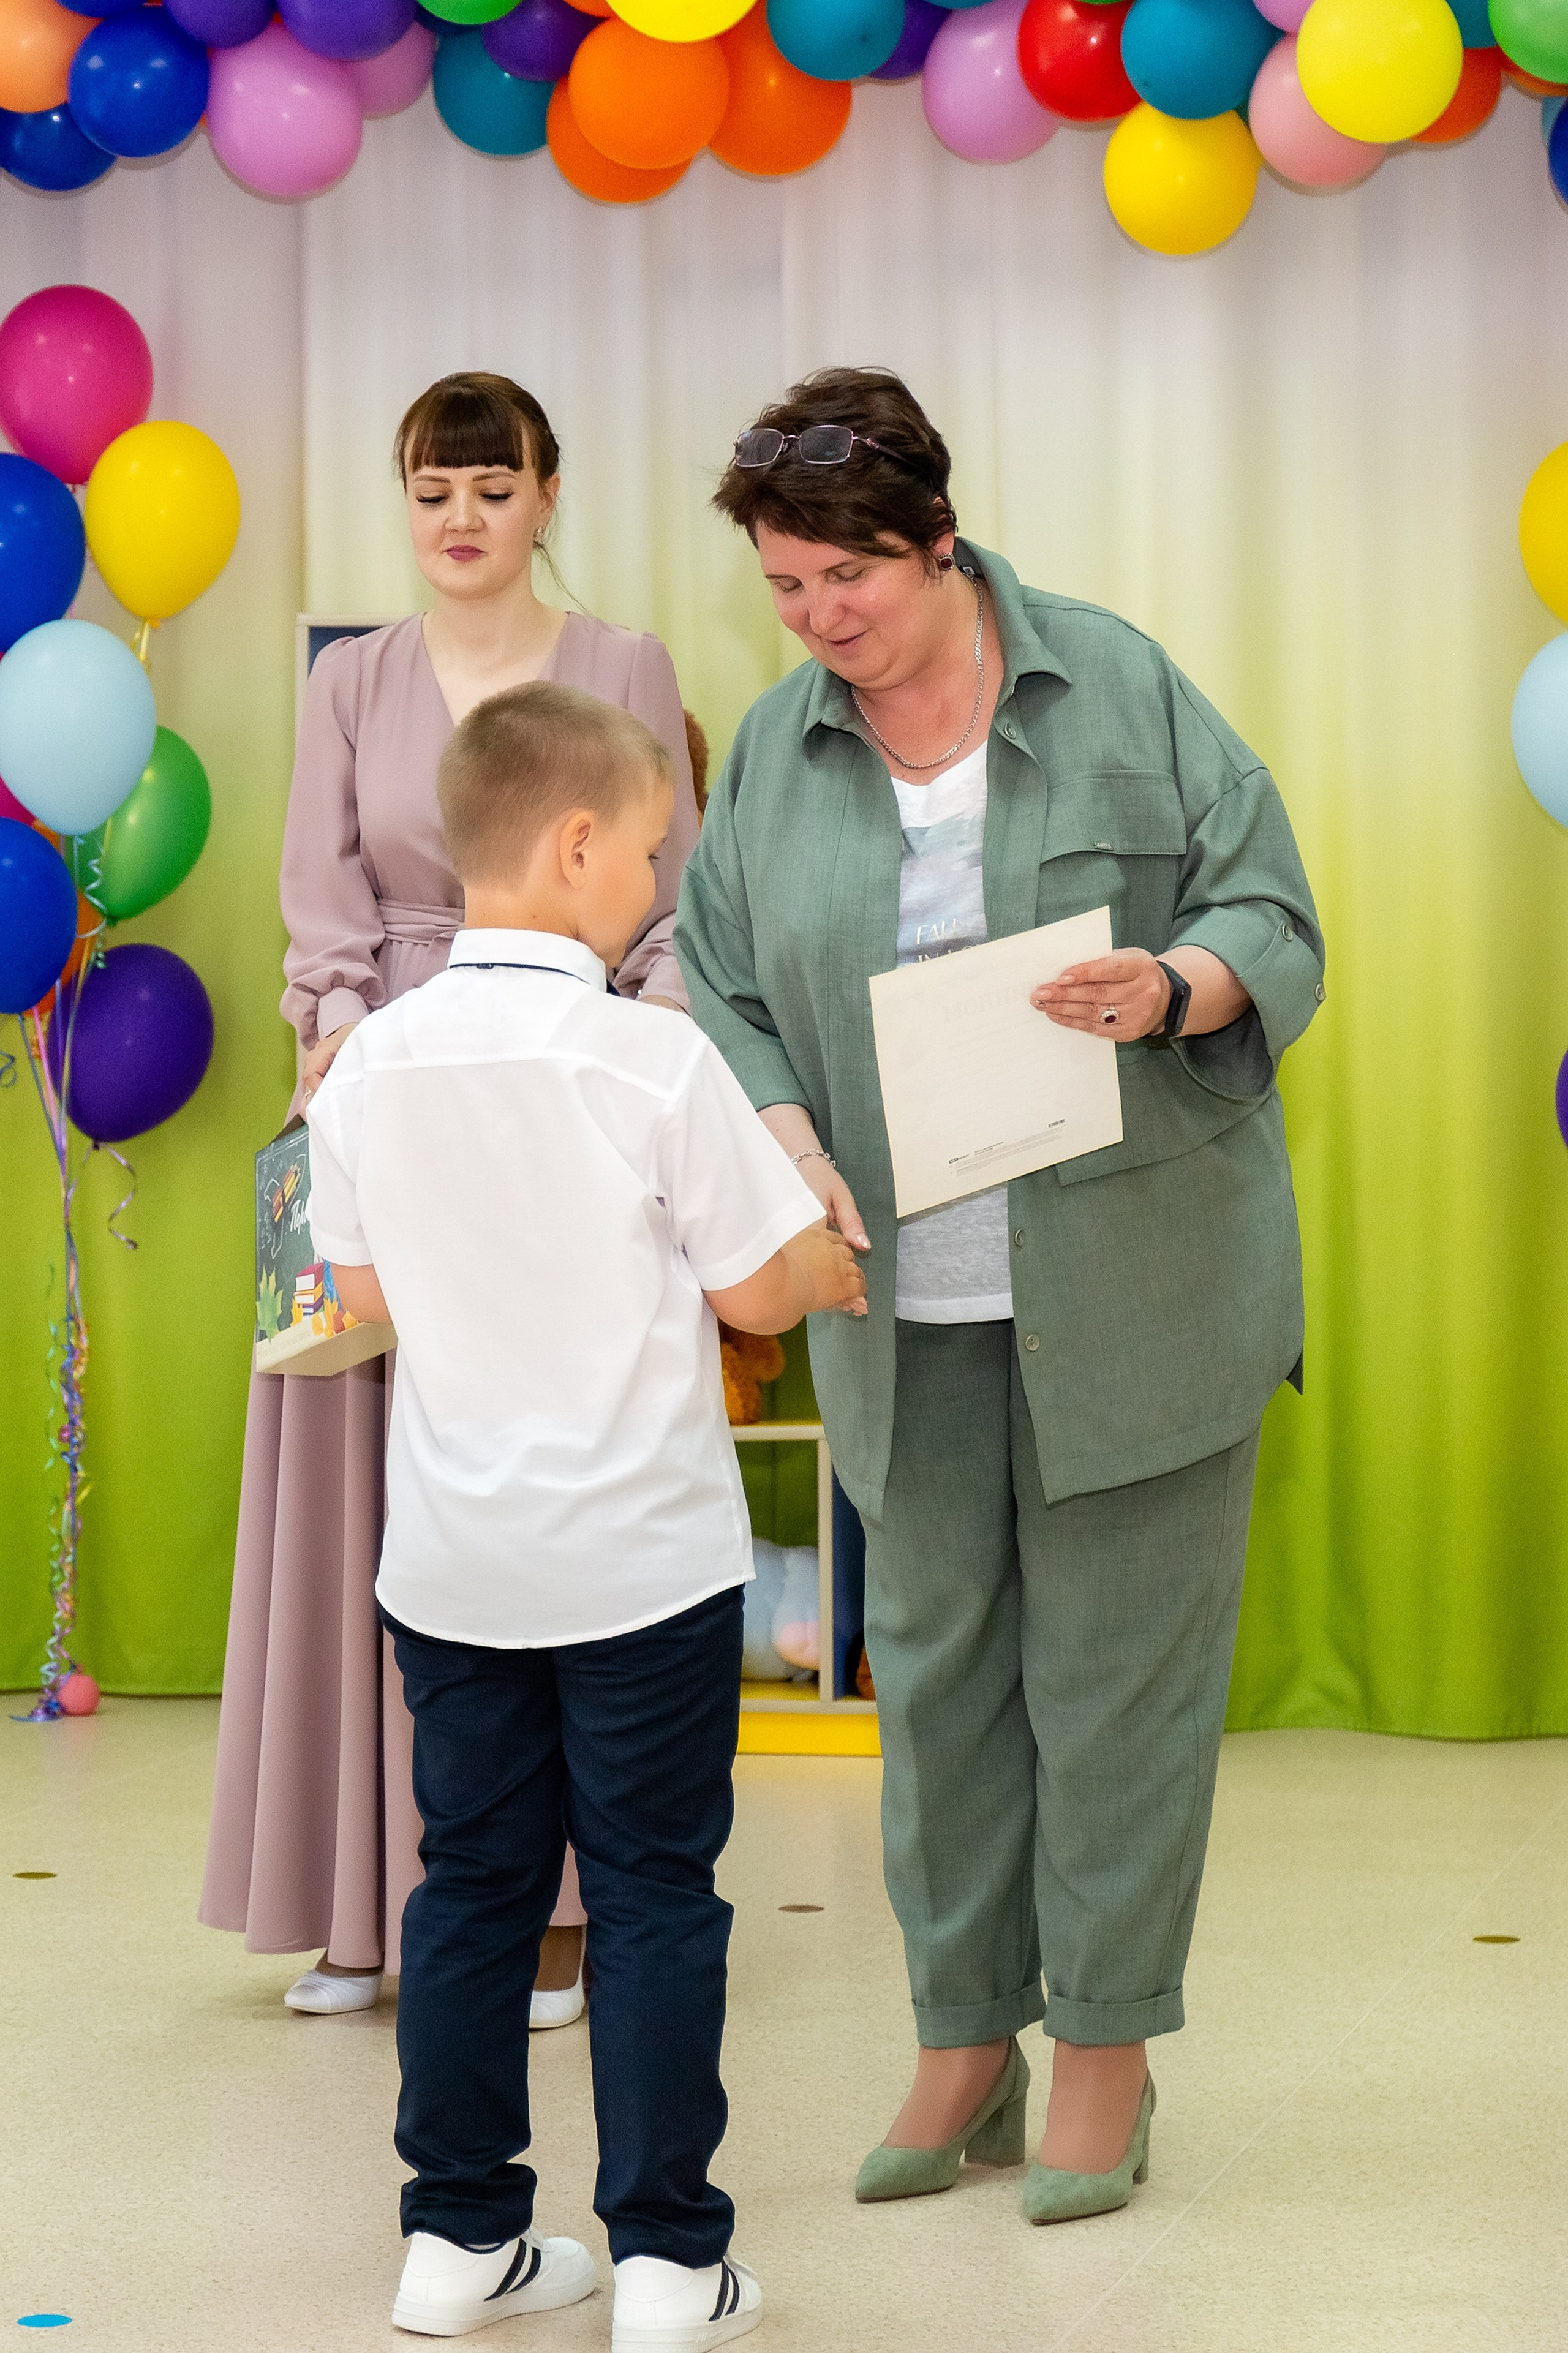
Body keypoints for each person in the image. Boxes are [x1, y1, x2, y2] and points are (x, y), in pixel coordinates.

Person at [676, 367, 1326, 2226]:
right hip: (902, 1306)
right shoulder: (780, 751)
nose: (813, 621)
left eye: (840, 582)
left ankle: (1106, 2051)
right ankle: (964, 2038)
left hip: (1140, 1288)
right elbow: (714, 979)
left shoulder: (1117, 684)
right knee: (947, 1682)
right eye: (786, 588)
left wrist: (1180, 982)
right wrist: (783, 1124)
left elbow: (1277, 914)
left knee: (1119, 1681)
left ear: (934, 540)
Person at [304, 682, 864, 2341]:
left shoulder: (367, 1069)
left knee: (470, 1888)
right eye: (643, 846)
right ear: (570, 845)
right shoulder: (654, 1057)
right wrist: (829, 1253)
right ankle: (671, 2263)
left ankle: (457, 2239)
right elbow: (762, 1278)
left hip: (460, 1564)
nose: (655, 877)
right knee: (650, 1897)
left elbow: (357, 1291)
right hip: (642, 1566)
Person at [200, 374, 701, 2021]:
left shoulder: (626, 667)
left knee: (552, 1490)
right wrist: (343, 1047)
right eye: (434, 491)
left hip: (564, 1093)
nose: (463, 518)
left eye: (494, 485)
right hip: (379, 1092)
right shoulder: (353, 681)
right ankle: (364, 1902)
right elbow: (318, 903)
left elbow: (668, 909)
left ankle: (555, 1911)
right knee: (354, 1475)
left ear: (550, 494)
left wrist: (624, 1064)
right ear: (404, 506)